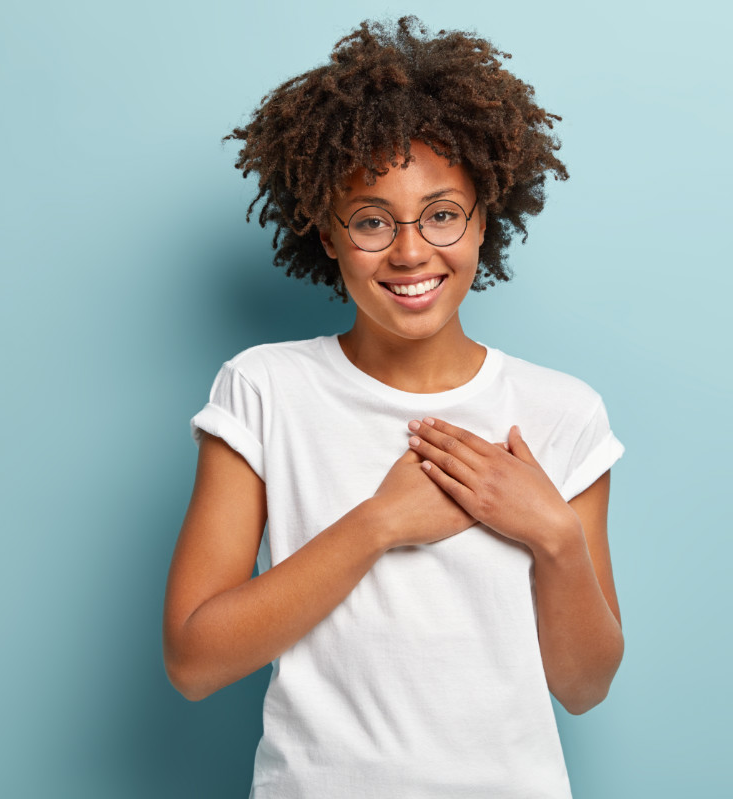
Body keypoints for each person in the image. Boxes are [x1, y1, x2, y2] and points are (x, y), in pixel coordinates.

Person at [163, 16, 627, 798]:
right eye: (373, 220)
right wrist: (379, 523)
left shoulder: (561, 410)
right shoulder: (265, 389)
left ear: (484, 218)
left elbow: (584, 686)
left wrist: (552, 533)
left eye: (442, 213)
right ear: (327, 232)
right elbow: (193, 660)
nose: (410, 252)